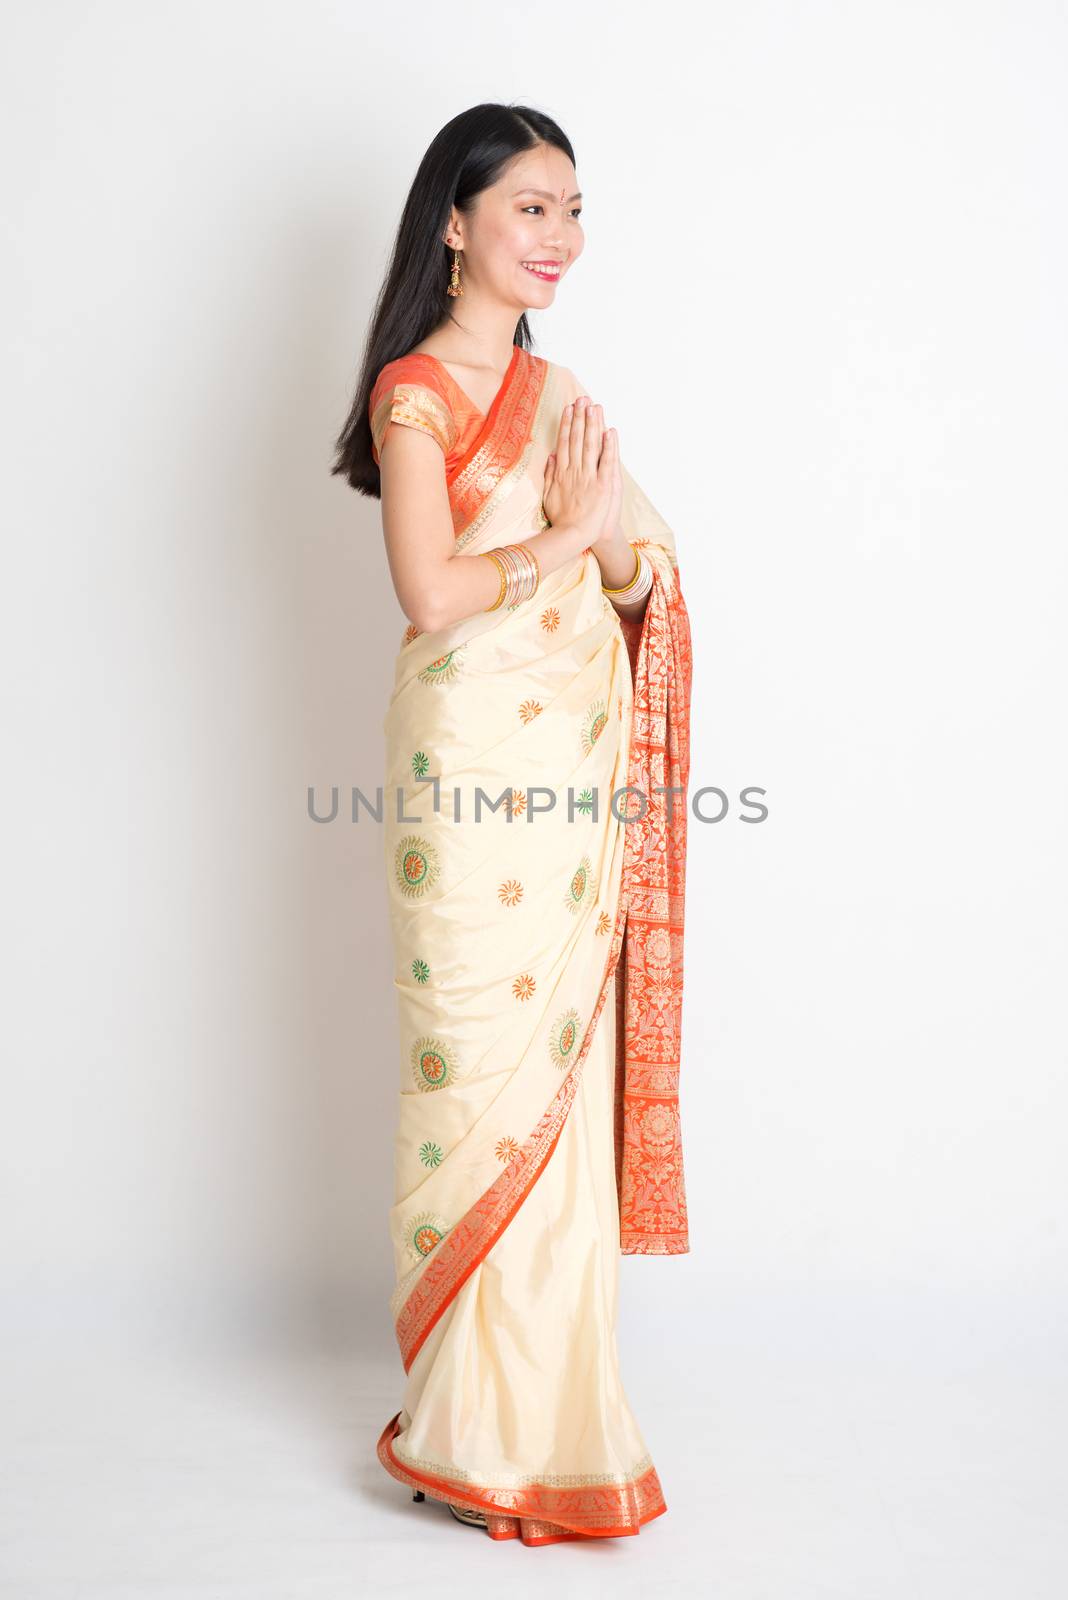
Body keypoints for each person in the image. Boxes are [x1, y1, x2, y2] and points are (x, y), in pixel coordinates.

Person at [331, 101, 694, 1547]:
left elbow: (636, 585)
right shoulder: (413, 391)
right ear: (456, 221)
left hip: (565, 790)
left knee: (557, 1076)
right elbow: (430, 592)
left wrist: (597, 534)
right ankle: (468, 1427)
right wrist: (556, 537)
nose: (561, 237)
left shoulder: (565, 404)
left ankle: (540, 1436)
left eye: (573, 209)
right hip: (462, 780)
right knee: (476, 1069)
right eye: (532, 207)